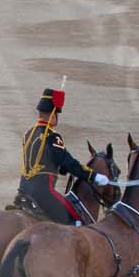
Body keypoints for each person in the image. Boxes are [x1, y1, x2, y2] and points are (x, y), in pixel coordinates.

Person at [18, 90, 106, 226]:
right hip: (43, 192)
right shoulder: (52, 136)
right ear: (53, 114)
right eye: (57, 114)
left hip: (23, 190)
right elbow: (67, 162)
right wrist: (93, 176)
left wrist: (62, 168)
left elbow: (45, 159)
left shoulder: (28, 134)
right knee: (76, 220)